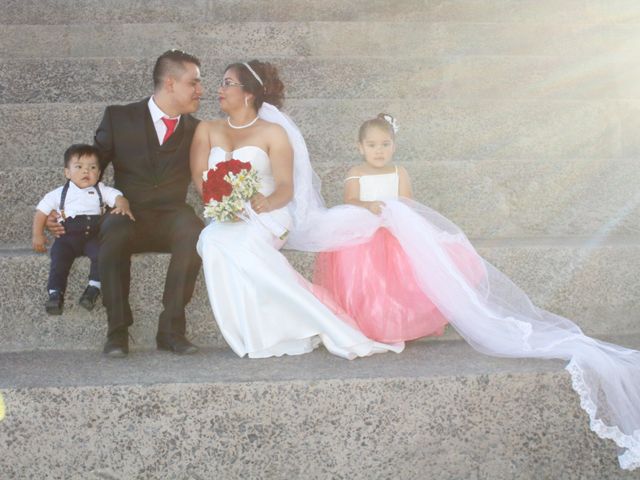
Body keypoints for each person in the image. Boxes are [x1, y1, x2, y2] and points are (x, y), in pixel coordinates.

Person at [190, 60, 403, 359]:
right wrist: (222, 205)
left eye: (227, 83)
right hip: (224, 214)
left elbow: (286, 188)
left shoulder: (274, 132)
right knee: (212, 241)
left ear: (248, 93)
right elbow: (201, 179)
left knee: (248, 245)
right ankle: (257, 332)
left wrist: (266, 203)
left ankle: (317, 318)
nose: (219, 89)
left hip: (268, 213)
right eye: (222, 83)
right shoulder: (206, 129)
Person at [47, 49, 205, 357]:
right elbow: (88, 172)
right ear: (170, 83)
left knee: (195, 231)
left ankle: (172, 329)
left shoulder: (199, 129)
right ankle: (117, 331)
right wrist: (64, 212)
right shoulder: (118, 117)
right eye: (194, 83)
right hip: (128, 212)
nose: (200, 90)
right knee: (114, 232)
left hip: (173, 215)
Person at [33, 143, 133, 315]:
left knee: (102, 255)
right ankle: (55, 294)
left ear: (99, 173)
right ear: (67, 172)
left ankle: (93, 289)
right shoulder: (59, 193)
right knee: (58, 259)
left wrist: (123, 206)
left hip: (92, 237)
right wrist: (37, 234)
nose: (86, 171)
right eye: (79, 167)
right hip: (67, 238)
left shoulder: (101, 190)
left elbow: (118, 197)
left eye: (92, 167)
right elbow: (41, 212)